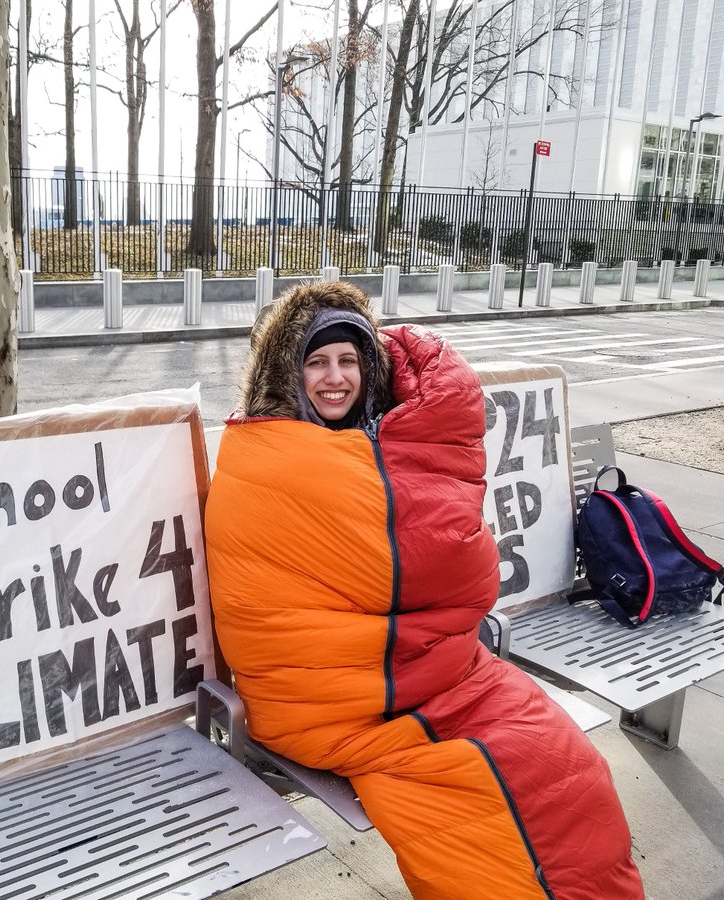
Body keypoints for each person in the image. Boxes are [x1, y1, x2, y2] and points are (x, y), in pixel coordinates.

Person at [205, 280, 644, 899]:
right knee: (487, 812)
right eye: (316, 361)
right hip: (340, 701)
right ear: (286, 372)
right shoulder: (265, 456)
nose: (335, 378)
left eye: (350, 360)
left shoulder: (389, 442)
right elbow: (434, 564)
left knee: (566, 764)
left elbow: (458, 570)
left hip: (438, 671)